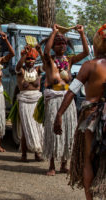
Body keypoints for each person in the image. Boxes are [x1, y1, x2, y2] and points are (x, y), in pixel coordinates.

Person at [54, 24, 106, 200]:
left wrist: (59, 114)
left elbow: (72, 91)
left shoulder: (89, 66)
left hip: (91, 116)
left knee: (88, 160)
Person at [42, 24, 89, 176]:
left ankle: (64, 163)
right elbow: (46, 50)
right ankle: (51, 164)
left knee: (68, 130)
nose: (61, 45)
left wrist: (82, 34)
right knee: (52, 130)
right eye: (58, 43)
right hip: (54, 99)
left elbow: (87, 52)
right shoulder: (49, 61)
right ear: (54, 46)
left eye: (63, 43)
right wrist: (54, 32)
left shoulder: (69, 61)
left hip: (67, 100)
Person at [15, 45, 44, 162]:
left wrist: (41, 52)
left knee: (38, 127)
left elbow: (47, 65)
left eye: (32, 59)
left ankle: (37, 153)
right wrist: (23, 56)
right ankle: (23, 154)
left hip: (36, 100)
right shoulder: (21, 71)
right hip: (24, 101)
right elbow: (17, 67)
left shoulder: (38, 70)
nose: (30, 61)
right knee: (26, 127)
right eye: (28, 59)